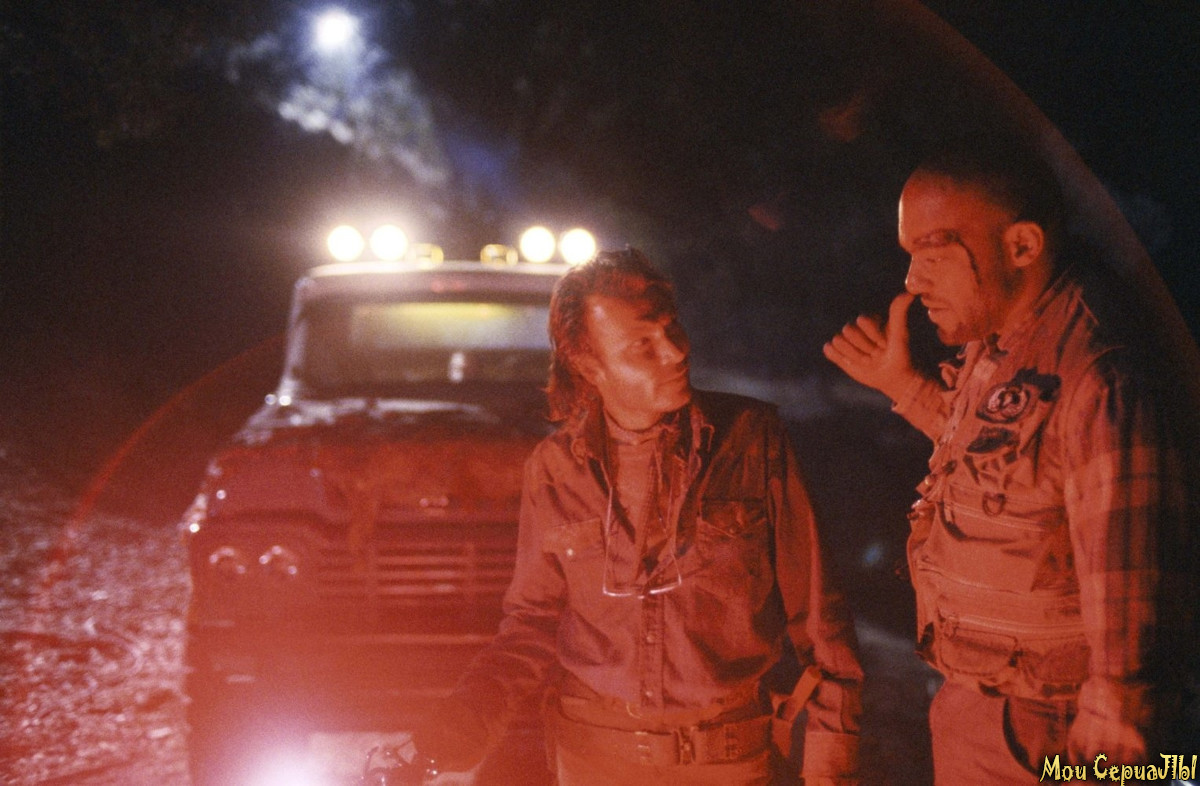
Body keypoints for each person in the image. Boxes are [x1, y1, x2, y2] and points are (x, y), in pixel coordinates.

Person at [824, 139, 1198, 783]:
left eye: (932, 256)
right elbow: (1018, 464)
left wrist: (1119, 714)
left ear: (1021, 245)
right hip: (993, 713)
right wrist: (905, 387)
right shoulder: (1014, 339)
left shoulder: (1100, 375)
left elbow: (1129, 562)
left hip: (1056, 732)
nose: (912, 282)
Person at [415, 248, 863, 785]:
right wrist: (461, 724)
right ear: (590, 367)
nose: (675, 352)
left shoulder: (752, 440)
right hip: (595, 760)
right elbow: (531, 624)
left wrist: (832, 762)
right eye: (642, 345)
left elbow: (820, 618)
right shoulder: (555, 470)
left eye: (671, 328)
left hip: (728, 759)